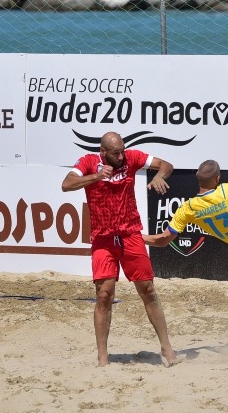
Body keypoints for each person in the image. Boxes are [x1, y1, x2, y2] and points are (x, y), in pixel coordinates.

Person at [61, 131, 178, 368]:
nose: (121, 155)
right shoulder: (88, 163)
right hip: (103, 238)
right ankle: (103, 357)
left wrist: (159, 176)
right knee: (104, 295)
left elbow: (166, 164)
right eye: (116, 152)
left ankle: (166, 347)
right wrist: (95, 176)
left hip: (130, 233)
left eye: (122, 150)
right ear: (103, 153)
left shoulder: (132, 158)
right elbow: (66, 184)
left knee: (148, 290)